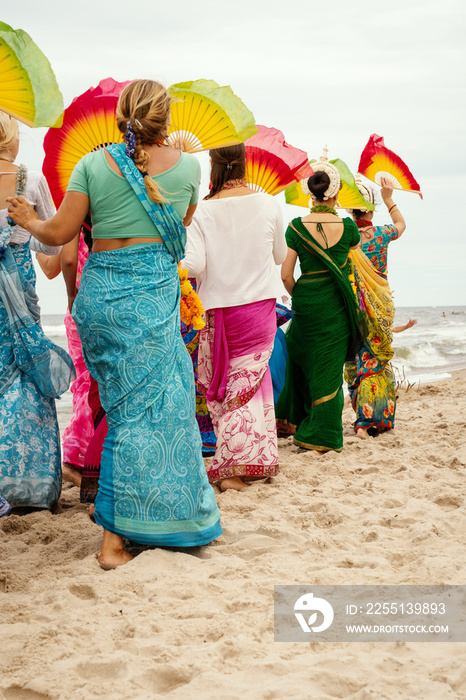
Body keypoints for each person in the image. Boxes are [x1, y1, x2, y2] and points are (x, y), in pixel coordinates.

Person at [7, 79, 222, 567]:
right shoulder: (189, 165)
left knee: (125, 414)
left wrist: (26, 216)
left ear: (121, 116)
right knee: (161, 412)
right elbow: (180, 224)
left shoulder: (90, 164)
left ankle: (137, 524)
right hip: (150, 298)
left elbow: (60, 233)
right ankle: (119, 539)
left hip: (101, 300)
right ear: (167, 119)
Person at [181, 144, 286, 491]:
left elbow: (193, 265)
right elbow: (279, 254)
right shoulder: (268, 202)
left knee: (227, 384)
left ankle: (237, 464)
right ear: (246, 162)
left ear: (212, 164)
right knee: (252, 383)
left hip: (221, 310)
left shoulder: (202, 211)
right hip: (258, 307)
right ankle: (242, 465)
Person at [0, 113, 74, 509]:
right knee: (24, 376)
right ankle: (27, 485)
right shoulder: (32, 181)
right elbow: (49, 245)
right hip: (20, 288)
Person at [276, 153, 361, 454]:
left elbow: (286, 275)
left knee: (303, 356)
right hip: (336, 304)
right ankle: (322, 435)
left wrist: (301, 293)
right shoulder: (349, 228)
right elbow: (352, 258)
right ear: (336, 193)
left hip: (307, 300)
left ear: (310, 192)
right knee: (329, 366)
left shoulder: (296, 227)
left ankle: (300, 421)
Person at [344, 177, 406, 438]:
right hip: (381, 306)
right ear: (371, 209)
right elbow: (401, 225)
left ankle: (362, 419)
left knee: (358, 362)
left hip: (354, 306)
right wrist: (389, 198)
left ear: (350, 210)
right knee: (378, 361)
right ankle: (379, 419)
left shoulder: (345, 238)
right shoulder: (381, 234)